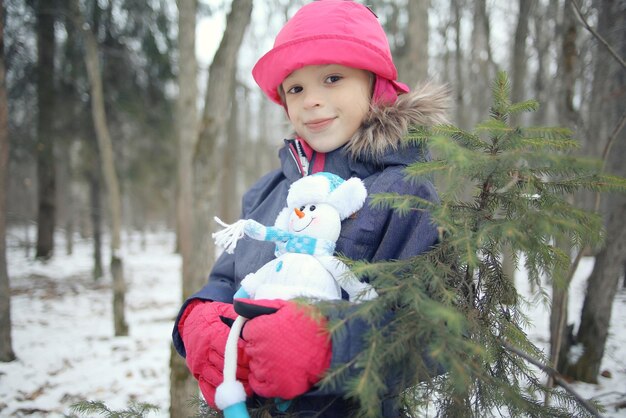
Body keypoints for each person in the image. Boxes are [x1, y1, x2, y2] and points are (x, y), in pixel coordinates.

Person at [172, 1, 449, 416]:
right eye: (296, 88)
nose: (311, 101)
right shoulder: (267, 192)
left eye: (332, 78)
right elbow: (228, 280)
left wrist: (328, 343)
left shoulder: (404, 191)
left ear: (375, 85)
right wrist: (198, 318)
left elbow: (432, 332)